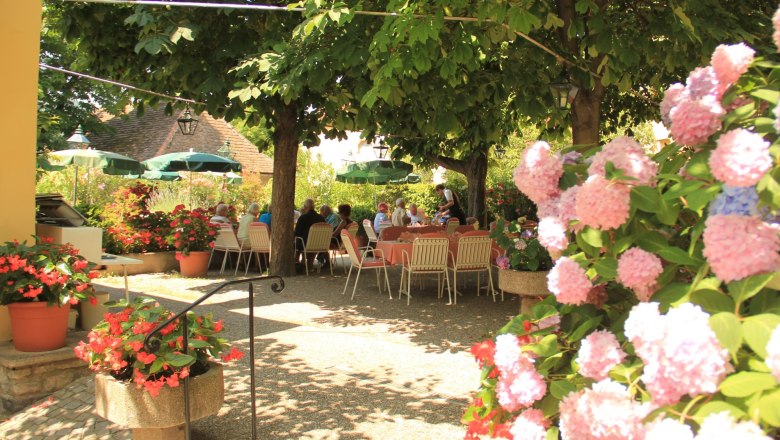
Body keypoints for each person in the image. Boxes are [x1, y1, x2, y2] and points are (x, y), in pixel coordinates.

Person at [295, 199, 326, 270]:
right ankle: (309, 264)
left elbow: (297, 233)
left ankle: (297, 264)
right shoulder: (321, 218)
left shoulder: (303, 218)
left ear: (305, 207)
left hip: (305, 244)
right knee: (308, 241)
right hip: (320, 244)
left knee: (296, 242)